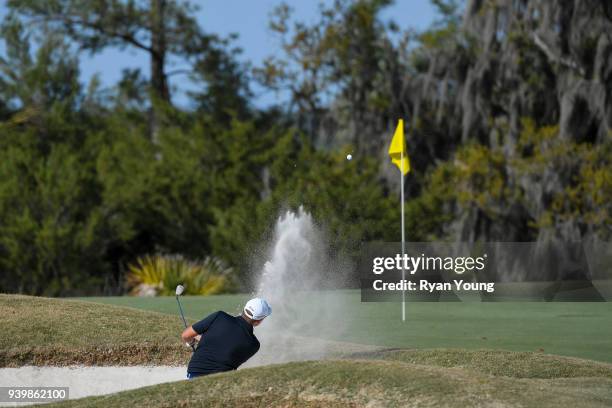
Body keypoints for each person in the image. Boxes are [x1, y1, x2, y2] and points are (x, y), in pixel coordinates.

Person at [181, 297, 272, 379]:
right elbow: (228, 352)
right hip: (221, 380)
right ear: (259, 321)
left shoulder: (220, 316)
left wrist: (192, 340)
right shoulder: (254, 345)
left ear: (244, 309)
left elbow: (186, 335)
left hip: (195, 372)